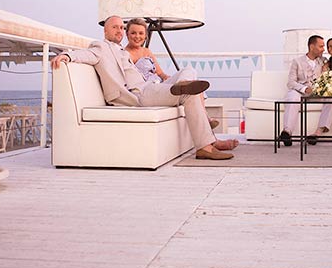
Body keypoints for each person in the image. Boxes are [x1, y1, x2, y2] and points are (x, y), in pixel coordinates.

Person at [51, 15, 235, 160]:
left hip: (149, 87)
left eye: (121, 27)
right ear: (105, 30)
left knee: (189, 71)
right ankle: (205, 146)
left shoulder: (121, 50)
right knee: (190, 93)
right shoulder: (100, 47)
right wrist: (67, 56)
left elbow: (159, 73)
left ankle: (184, 90)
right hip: (139, 94)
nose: (119, 30)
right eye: (115, 27)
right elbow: (87, 54)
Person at [123, 18, 229, 145]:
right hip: (147, 89)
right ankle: (207, 124)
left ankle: (184, 83)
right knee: (191, 89)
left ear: (145, 35)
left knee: (189, 71)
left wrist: (172, 79)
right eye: (133, 33)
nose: (137, 36)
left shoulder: (146, 51)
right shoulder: (124, 54)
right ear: (127, 34)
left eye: (141, 33)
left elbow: (161, 73)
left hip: (160, 85)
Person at [278, 34, 332, 146]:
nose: (324, 49)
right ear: (312, 47)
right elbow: (291, 82)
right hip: (301, 93)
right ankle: (287, 132)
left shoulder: (324, 61)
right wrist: (304, 89)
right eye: (321, 46)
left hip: (318, 94)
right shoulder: (297, 61)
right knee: (292, 95)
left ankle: (317, 134)